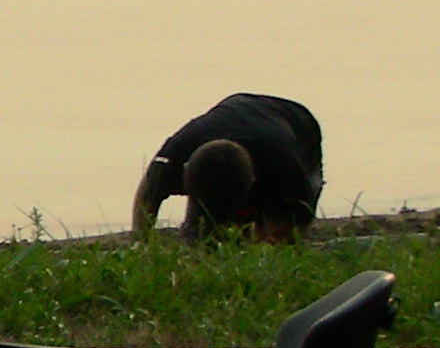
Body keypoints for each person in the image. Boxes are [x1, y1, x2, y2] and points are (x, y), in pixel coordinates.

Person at [131, 94, 323, 241]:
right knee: (202, 232)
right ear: (184, 174)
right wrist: (141, 240)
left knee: (280, 236)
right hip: (239, 123)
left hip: (297, 123)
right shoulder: (174, 155)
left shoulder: (286, 167)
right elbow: (147, 196)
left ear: (252, 180)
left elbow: (300, 213)